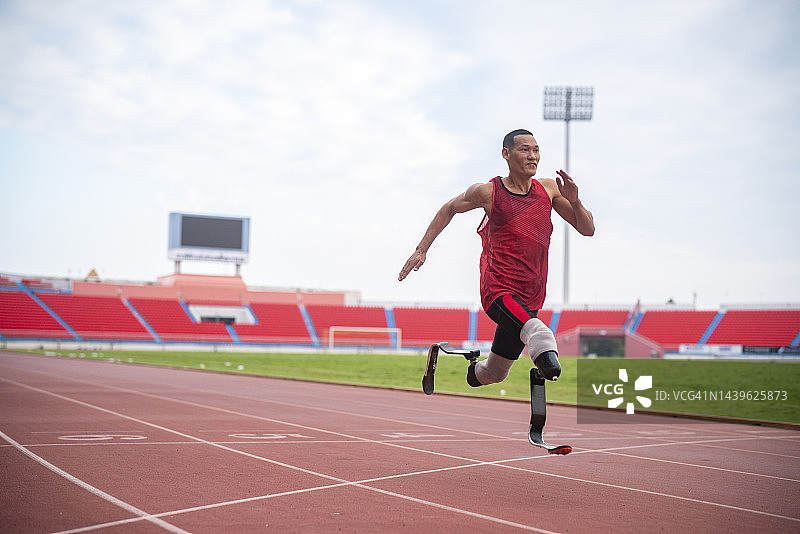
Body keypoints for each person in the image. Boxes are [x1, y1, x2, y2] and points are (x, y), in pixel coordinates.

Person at [398, 129, 595, 387]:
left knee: (495, 373)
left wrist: (576, 201)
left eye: (536, 150)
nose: (532, 156)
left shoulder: (548, 190)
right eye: (525, 149)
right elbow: (448, 209)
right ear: (506, 153)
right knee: (540, 333)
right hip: (498, 291)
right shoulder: (489, 192)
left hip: (531, 296)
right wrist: (421, 249)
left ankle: (473, 368)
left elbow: (588, 229)